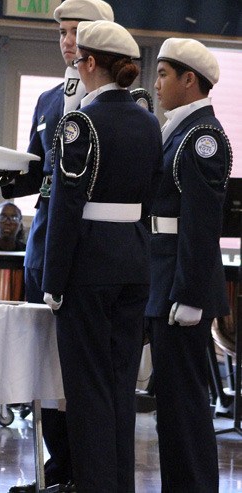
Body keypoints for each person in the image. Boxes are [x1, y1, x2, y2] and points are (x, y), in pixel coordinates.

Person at [41, 20, 162, 492]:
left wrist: (54, 280)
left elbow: (67, 207)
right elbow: (150, 199)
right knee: (119, 387)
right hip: (133, 262)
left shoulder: (81, 123)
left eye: (78, 58)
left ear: (90, 63)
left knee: (88, 391)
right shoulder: (148, 121)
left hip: (89, 267)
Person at [1, 1, 114, 491]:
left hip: (91, 249)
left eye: (76, 33)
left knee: (81, 371)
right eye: (63, 32)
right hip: (44, 244)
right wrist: (2, 175)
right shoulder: (48, 100)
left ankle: (84, 473)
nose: (68, 42)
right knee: (43, 366)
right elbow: (38, 173)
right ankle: (58, 468)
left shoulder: (117, 103)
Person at [146, 38, 231, 492]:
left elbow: (201, 223)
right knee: (173, 405)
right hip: (164, 279)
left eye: (163, 74)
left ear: (189, 79)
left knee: (187, 404)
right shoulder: (177, 129)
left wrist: (191, 295)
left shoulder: (201, 137)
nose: (156, 84)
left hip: (181, 286)